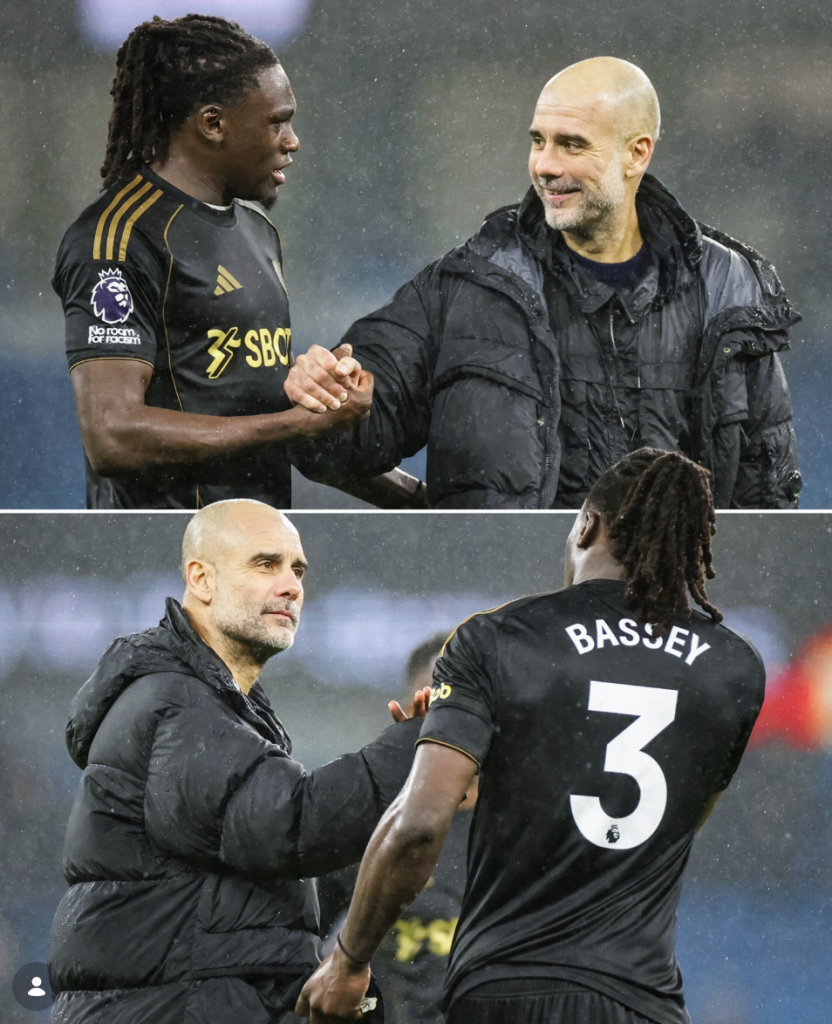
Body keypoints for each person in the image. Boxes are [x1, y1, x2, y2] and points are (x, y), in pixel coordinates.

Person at [296, 448, 766, 1024]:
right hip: (643, 1000)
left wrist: (347, 961)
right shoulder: (736, 668)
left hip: (506, 990)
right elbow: (682, 818)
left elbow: (418, 827)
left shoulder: (501, 638)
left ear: (587, 525)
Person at [286, 57, 802, 510]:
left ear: (637, 154)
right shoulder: (470, 281)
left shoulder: (728, 288)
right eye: (539, 141)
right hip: (515, 590)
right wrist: (326, 398)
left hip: (668, 600)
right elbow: (339, 444)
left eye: (572, 145)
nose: (546, 166)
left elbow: (769, 497)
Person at [48, 500, 428, 1023]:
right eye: (265, 564)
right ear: (201, 580)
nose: (292, 585)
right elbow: (293, 824)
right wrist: (425, 744)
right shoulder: (174, 703)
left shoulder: (213, 703)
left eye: (298, 570)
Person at [53, 14, 423, 510]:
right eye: (277, 121)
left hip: (257, 535)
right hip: (163, 540)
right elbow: (112, 436)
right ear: (213, 124)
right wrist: (294, 422)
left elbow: (264, 421)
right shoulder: (116, 237)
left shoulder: (258, 232)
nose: (292, 141)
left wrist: (424, 496)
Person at [317, 633, 475, 1024]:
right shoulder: (371, 826)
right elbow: (302, 939)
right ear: (416, 709)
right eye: (447, 700)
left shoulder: (526, 833)